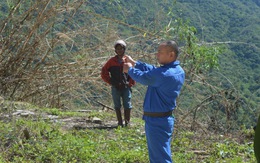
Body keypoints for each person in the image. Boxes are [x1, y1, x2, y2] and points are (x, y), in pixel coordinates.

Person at [123, 41, 185, 162]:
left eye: (160, 52)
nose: (157, 55)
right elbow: (154, 70)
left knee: (160, 157)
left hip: (157, 121)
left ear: (171, 55)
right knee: (161, 153)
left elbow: (145, 77)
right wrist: (135, 63)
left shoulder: (166, 74)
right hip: (163, 119)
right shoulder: (177, 70)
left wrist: (130, 70)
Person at [101, 40, 135, 127]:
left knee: (127, 104)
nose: (119, 50)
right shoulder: (111, 61)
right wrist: (110, 81)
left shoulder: (127, 60)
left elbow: (133, 72)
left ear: (124, 49)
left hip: (126, 86)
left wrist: (130, 83)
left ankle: (127, 123)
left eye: (121, 48)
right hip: (115, 87)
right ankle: (120, 123)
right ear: (115, 50)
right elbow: (104, 72)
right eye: (117, 49)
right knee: (117, 105)